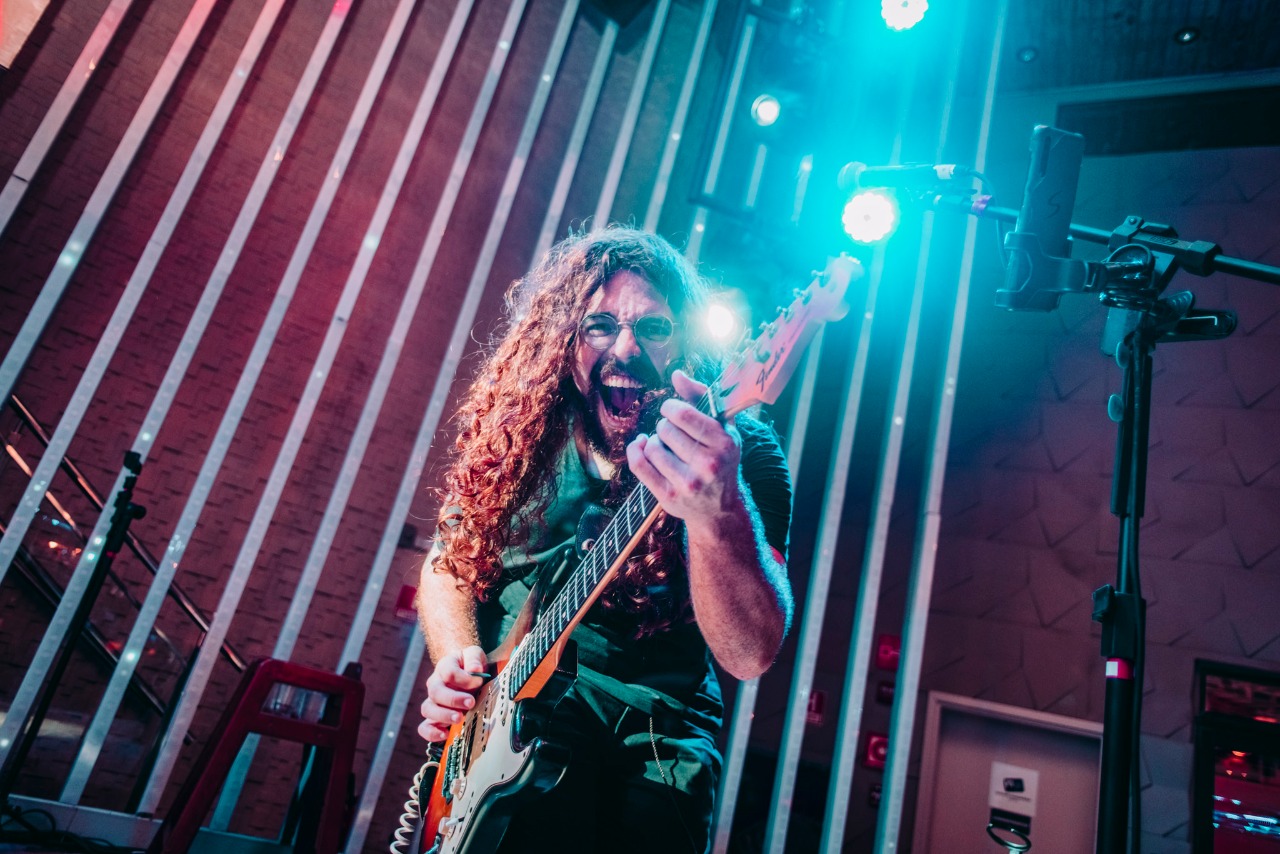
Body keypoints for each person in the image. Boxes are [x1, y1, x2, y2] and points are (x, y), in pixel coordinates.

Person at [416, 226, 793, 853]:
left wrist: (716, 512)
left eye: (653, 327)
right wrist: (456, 659)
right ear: (564, 340)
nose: (626, 348)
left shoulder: (739, 455)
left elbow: (751, 652)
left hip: (645, 762)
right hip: (488, 754)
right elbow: (446, 563)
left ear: (687, 344)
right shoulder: (525, 431)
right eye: (598, 326)